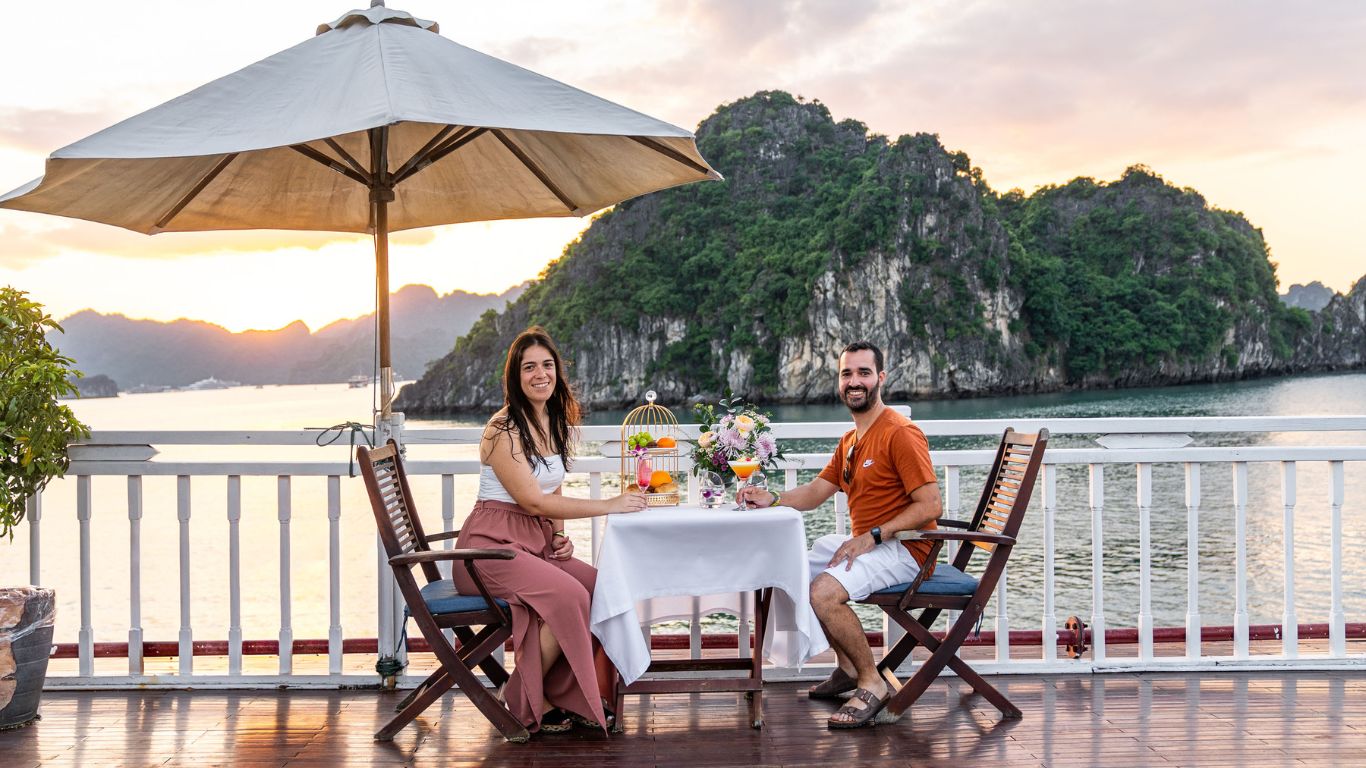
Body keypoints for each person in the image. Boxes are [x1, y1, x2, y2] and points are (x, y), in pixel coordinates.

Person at [452, 326, 647, 735]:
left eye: (546, 365)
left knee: (600, 588)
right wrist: (610, 504)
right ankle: (521, 700)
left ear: (557, 370)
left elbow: (552, 485)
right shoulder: (502, 430)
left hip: (533, 542)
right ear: (515, 376)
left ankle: (559, 694)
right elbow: (532, 501)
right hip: (489, 551)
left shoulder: (550, 418)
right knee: (570, 595)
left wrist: (557, 534)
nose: (540, 374)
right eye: (529, 367)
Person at [738, 340, 941, 729]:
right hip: (877, 543)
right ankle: (848, 666)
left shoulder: (900, 432)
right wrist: (772, 497)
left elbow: (931, 505)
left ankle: (872, 682)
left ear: (881, 378)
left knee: (824, 592)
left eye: (864, 372)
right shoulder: (851, 440)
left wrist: (874, 536)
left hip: (906, 551)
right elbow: (816, 493)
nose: (855, 381)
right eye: (847, 373)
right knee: (793, 567)